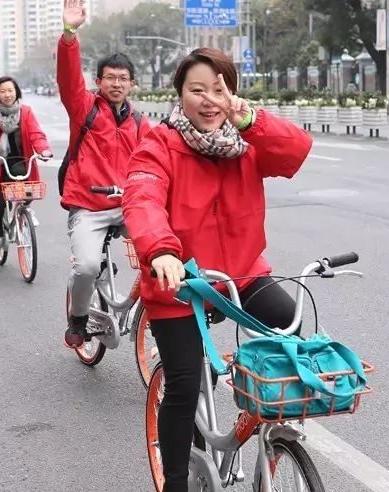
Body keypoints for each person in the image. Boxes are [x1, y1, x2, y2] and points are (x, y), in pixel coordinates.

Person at [122, 47, 312, 491]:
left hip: (241, 274)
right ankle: (175, 481)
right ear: (179, 95)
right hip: (181, 282)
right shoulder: (159, 144)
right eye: (197, 90)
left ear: (232, 93)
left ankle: (264, 427)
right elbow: (143, 198)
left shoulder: (247, 143)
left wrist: (251, 120)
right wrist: (162, 251)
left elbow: (296, 152)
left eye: (219, 89)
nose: (209, 100)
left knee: (292, 334)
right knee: (185, 385)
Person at [59, 0, 152, 348]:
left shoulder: (141, 122)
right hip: (88, 205)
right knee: (84, 267)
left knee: (164, 251)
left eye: (123, 78)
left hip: (130, 205)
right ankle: (79, 317)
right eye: (109, 78)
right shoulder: (83, 108)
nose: (116, 83)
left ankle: (157, 311)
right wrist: (70, 33)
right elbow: (68, 80)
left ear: (132, 84)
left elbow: (160, 160)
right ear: (98, 82)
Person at [0, 77, 52, 263]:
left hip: (19, 161)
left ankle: (24, 211)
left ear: (16, 92)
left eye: (10, 90)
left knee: (27, 192)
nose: (7, 94)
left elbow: (36, 133)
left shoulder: (26, 112)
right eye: (3, 91)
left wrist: (43, 150)